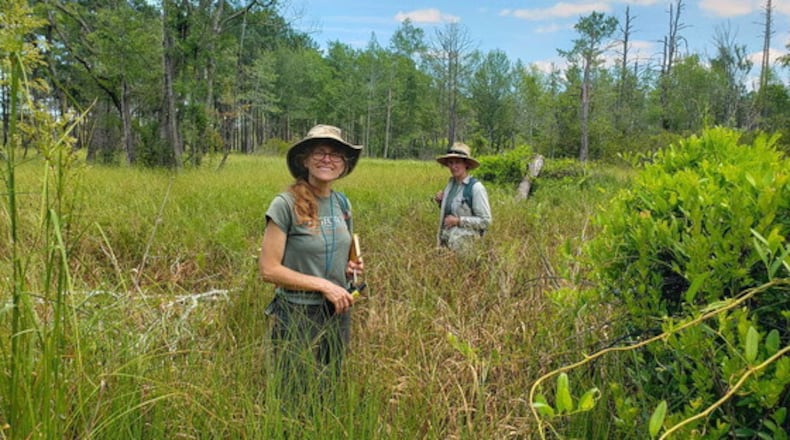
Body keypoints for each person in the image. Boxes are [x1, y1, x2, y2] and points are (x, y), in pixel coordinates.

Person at [258, 124, 364, 400]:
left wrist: (349, 269)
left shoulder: (342, 204)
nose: (327, 159)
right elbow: (268, 269)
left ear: (343, 164)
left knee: (329, 385)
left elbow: (343, 253)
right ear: (305, 159)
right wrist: (322, 285)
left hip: (338, 310)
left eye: (335, 154)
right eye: (319, 151)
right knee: (291, 389)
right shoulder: (285, 204)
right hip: (297, 313)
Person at [434, 142, 492, 252]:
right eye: (450, 162)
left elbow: (486, 221)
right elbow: (454, 210)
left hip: (466, 248)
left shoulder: (476, 188)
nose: (453, 166)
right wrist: (442, 202)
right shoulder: (451, 184)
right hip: (448, 243)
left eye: (457, 162)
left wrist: (458, 221)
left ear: (466, 164)